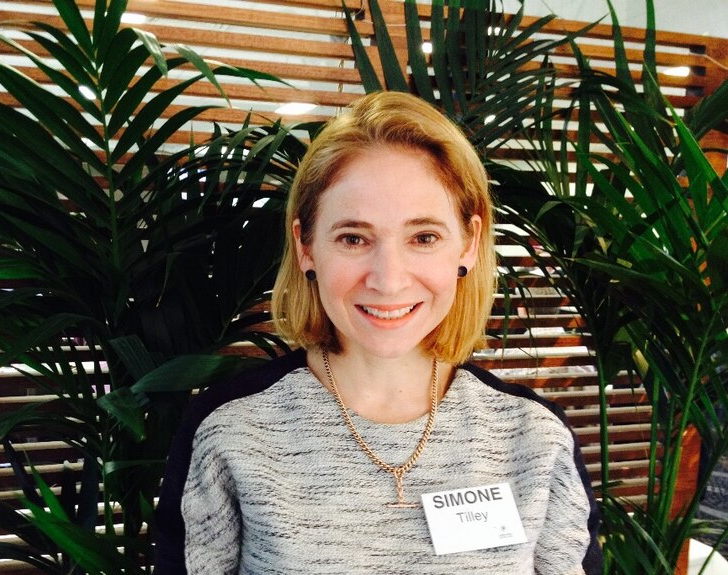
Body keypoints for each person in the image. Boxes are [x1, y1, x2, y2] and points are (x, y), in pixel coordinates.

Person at [154, 92, 602, 574]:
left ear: (468, 244)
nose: (388, 280)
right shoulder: (233, 432)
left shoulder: (533, 437)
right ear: (306, 248)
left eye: (423, 237)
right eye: (353, 238)